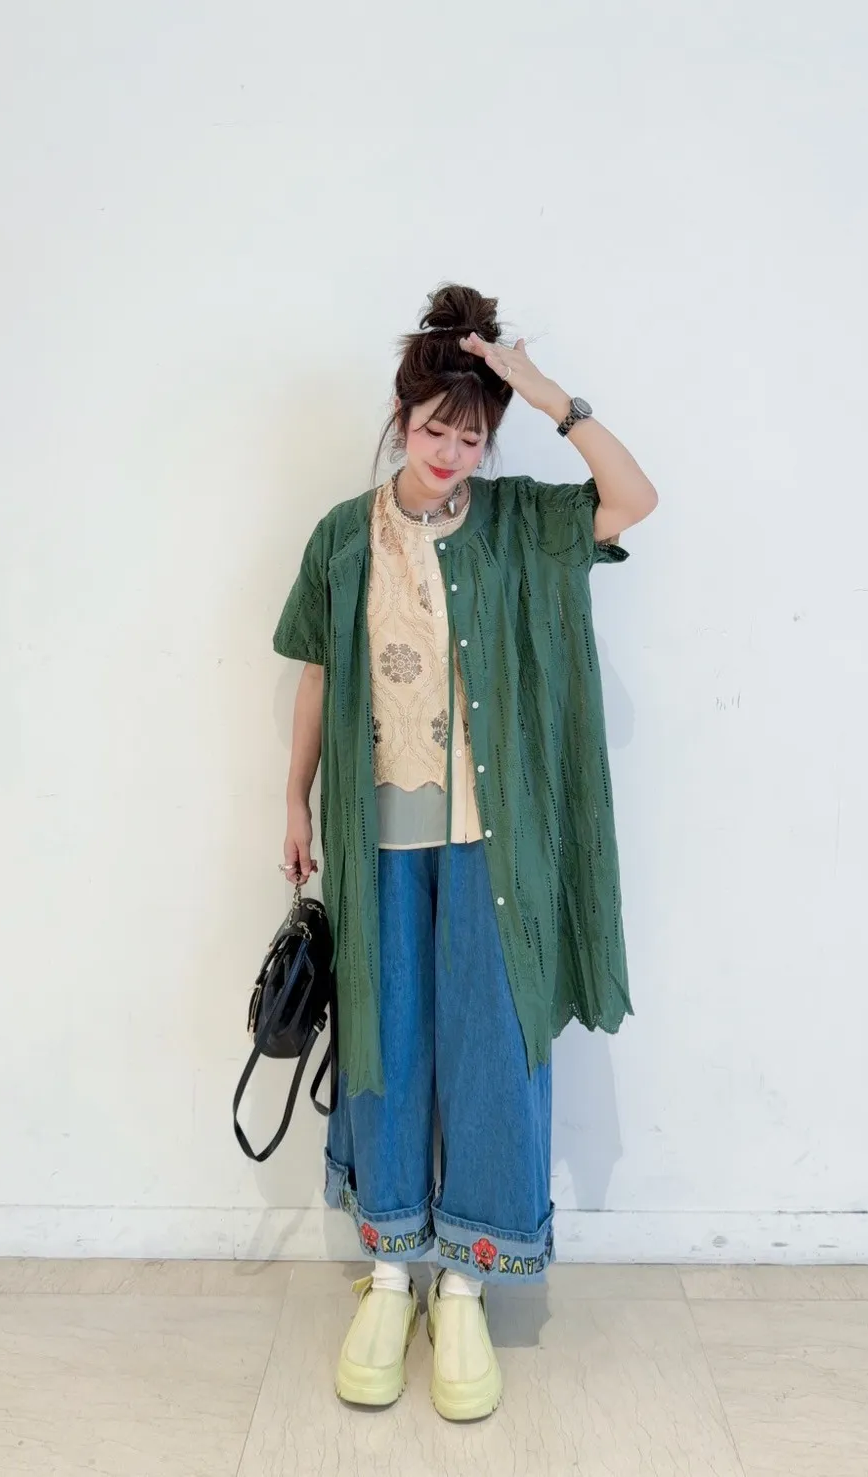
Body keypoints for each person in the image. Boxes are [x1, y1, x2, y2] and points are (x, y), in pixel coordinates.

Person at [272, 283, 658, 1420]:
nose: (451, 452)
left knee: (493, 1048)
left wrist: (542, 391)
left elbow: (634, 498)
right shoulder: (342, 536)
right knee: (387, 1044)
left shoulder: (524, 523)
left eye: (473, 434)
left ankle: (468, 1281)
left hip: (496, 845)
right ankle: (393, 1269)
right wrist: (292, 799)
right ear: (401, 420)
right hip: (378, 838)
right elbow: (317, 673)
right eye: (436, 429)